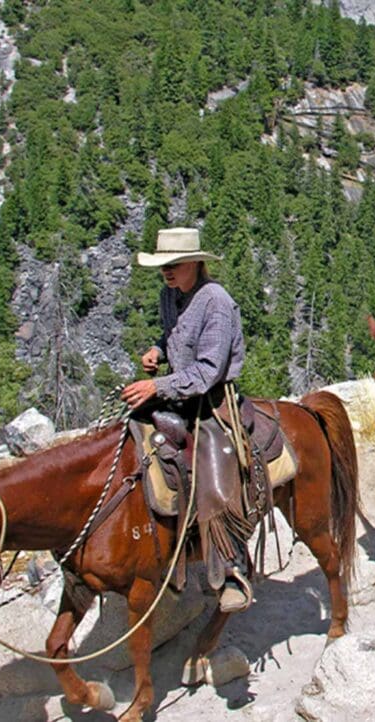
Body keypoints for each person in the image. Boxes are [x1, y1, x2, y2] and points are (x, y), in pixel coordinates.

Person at [120, 227, 252, 613]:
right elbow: (172, 337)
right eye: (164, 266)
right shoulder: (170, 295)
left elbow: (209, 369)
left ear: (195, 262)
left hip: (212, 401)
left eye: (174, 265)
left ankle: (231, 568)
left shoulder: (217, 302)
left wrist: (157, 386)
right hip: (177, 392)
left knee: (212, 467)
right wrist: (156, 351)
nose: (167, 272)